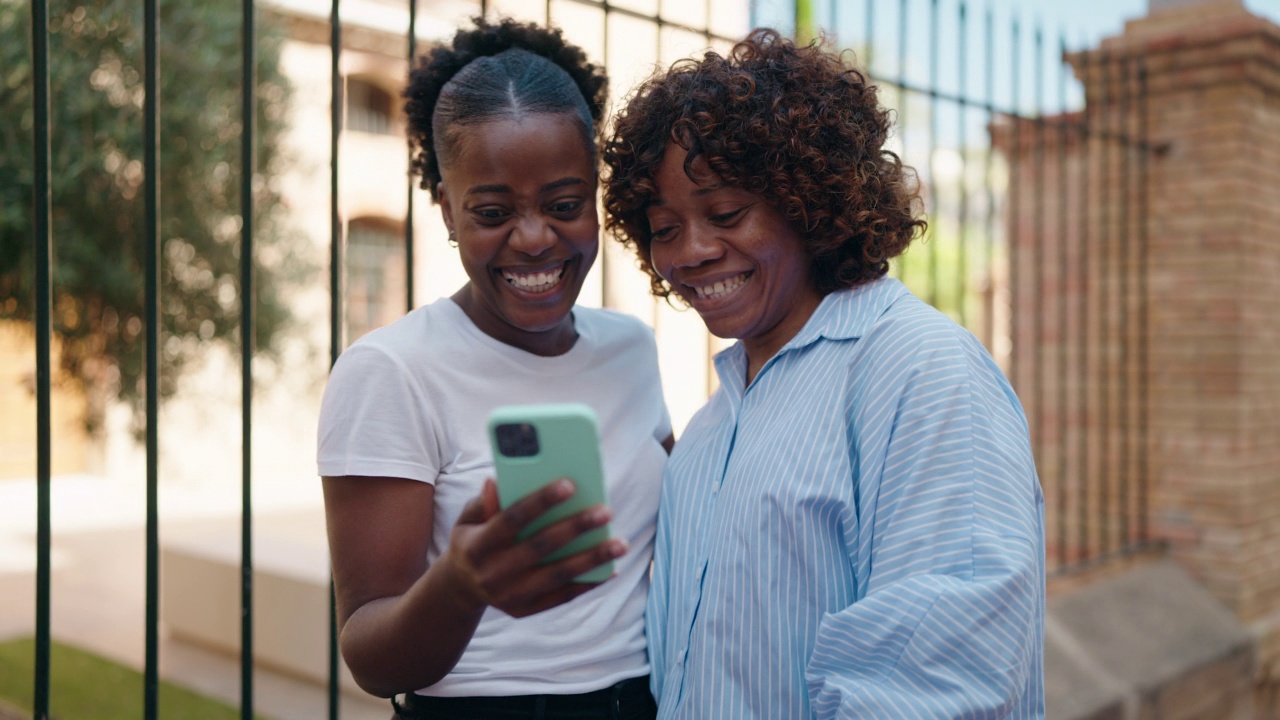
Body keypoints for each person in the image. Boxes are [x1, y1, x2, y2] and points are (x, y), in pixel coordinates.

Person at [602, 29, 1045, 719]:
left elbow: (940, 688)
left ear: (808, 201)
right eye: (663, 227)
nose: (690, 252)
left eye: (725, 213)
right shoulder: (711, 427)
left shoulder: (920, 372)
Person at [318, 17, 670, 720]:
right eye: (492, 211)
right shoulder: (391, 371)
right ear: (446, 209)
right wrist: (460, 584)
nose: (535, 238)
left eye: (564, 206)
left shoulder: (630, 348)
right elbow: (369, 655)